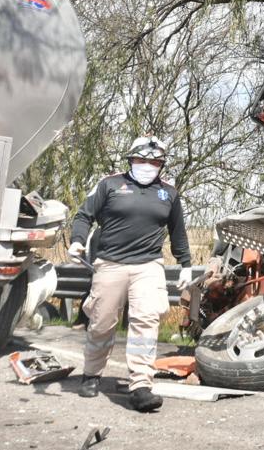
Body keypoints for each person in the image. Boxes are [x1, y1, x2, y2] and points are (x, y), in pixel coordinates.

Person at [68, 136, 193, 411]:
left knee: (146, 322)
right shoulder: (109, 184)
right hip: (110, 264)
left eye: (155, 162)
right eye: (143, 160)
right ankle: (91, 374)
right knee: (102, 322)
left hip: (148, 266)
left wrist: (186, 264)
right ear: (131, 160)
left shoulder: (169, 193)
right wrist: (77, 240)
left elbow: (178, 233)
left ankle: (140, 385)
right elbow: (83, 216)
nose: (148, 165)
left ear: (162, 164)